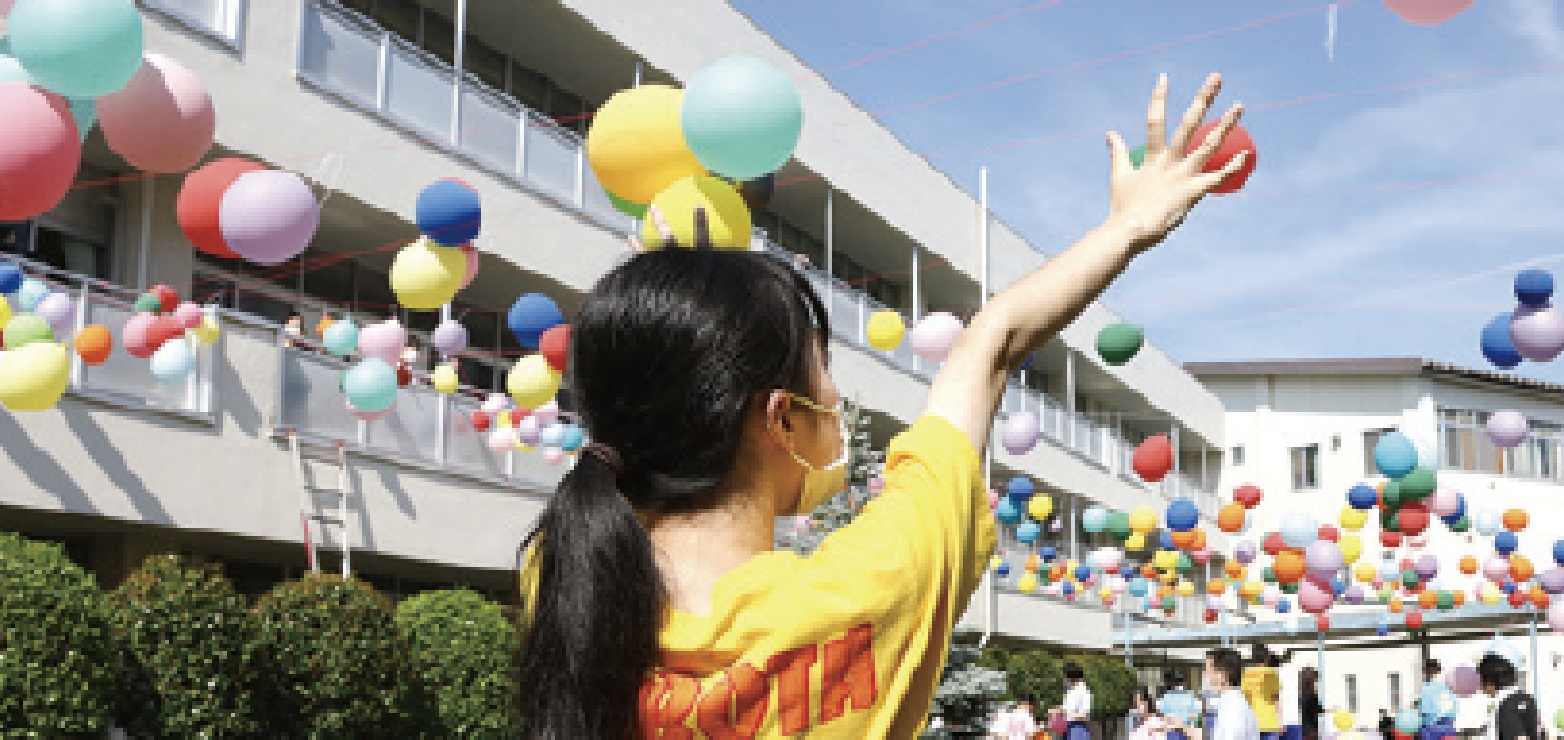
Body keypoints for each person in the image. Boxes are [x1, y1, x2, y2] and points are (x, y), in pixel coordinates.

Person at [514, 73, 1248, 738]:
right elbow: (987, 345)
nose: (836, 401)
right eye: (823, 375)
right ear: (779, 419)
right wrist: (1126, 227)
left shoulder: (563, 574)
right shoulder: (868, 588)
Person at [1479, 651, 1538, 740]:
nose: (1480, 686)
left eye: (1481, 680)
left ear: (1489, 682)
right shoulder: (1528, 699)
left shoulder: (1506, 706)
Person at [1207, 647, 1260, 740]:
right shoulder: (1228, 701)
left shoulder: (1233, 706)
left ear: (1222, 674)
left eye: (1207, 669)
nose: (1205, 674)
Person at [1243, 647, 1282, 740]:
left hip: (1252, 722)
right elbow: (1276, 699)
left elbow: (1245, 700)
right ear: (1266, 658)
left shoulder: (1245, 674)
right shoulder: (1272, 674)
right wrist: (1280, 721)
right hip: (1270, 722)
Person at [1162, 669, 1201, 740]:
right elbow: (1196, 715)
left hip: (1174, 731)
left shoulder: (1165, 698)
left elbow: (1164, 718)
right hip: (1185, 731)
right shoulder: (1190, 695)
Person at [1059, 662, 1094, 740]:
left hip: (1078, 729)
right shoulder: (1070, 690)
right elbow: (1066, 708)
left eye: (1065, 675)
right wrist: (1058, 710)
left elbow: (1085, 715)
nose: (1064, 678)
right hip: (1067, 727)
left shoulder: (1084, 692)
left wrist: (1068, 714)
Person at [1277, 655, 1302, 740]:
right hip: (1295, 720)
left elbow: (1277, 699)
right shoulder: (1296, 673)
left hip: (1282, 721)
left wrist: (1279, 721)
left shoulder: (1275, 673)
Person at [1299, 667, 1323, 740]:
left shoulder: (1301, 692)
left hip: (1303, 729)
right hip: (1312, 729)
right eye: (1316, 680)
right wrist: (1331, 710)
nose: (1317, 682)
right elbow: (1318, 710)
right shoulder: (1312, 694)